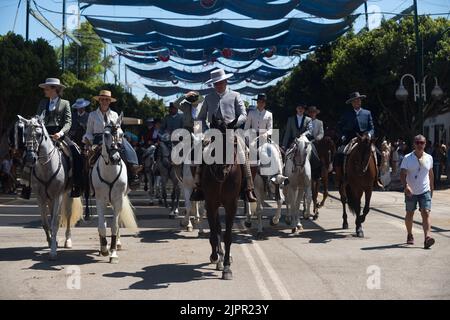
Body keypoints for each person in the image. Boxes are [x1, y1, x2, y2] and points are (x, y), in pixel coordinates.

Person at [192, 68, 256, 202]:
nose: (218, 85)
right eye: (216, 83)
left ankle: (248, 188)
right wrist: (202, 133)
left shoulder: (235, 95)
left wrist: (234, 123)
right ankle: (197, 186)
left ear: (226, 81)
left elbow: (244, 115)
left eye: (220, 82)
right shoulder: (209, 98)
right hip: (213, 133)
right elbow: (200, 118)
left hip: (231, 131)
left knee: (244, 152)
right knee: (199, 151)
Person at [21, 78, 82, 199]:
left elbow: (68, 122)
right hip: (43, 134)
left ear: (55, 89)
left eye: (47, 88)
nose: (44, 90)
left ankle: (75, 185)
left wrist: (60, 133)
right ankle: (26, 186)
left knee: (75, 153)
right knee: (27, 154)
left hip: (59, 134)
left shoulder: (65, 103)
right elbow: (38, 118)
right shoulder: (42, 103)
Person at [83, 90, 141, 190]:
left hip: (113, 138)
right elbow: (88, 132)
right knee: (85, 158)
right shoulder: (92, 115)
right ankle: (84, 182)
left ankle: (133, 169)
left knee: (127, 147)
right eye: (102, 99)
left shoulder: (114, 114)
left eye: (107, 100)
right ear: (99, 101)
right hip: (97, 139)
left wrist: (119, 137)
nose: (104, 101)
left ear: (110, 101)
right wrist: (89, 143)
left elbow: (119, 128)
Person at [334, 92, 380, 187]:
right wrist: (342, 135)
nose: (357, 102)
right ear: (352, 103)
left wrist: (370, 135)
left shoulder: (367, 113)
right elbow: (340, 126)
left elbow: (371, 127)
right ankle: (341, 177)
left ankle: (376, 178)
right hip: (350, 138)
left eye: (358, 100)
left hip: (365, 138)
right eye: (355, 101)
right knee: (339, 154)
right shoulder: (347, 114)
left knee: (378, 154)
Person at [400, 134, 435, 249]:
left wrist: (432, 189)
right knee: (410, 213)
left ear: (425, 144)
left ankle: (427, 238)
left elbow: (431, 175)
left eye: (422, 143)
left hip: (425, 191)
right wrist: (406, 186)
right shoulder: (407, 158)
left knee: (426, 212)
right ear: (414, 144)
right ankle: (410, 234)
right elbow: (402, 174)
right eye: (417, 143)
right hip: (411, 191)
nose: (420, 145)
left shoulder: (429, 157)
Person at [244, 93, 273, 178]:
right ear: (257, 103)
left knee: (274, 153)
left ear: (265, 103)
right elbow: (246, 127)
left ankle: (274, 176)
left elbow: (271, 128)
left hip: (264, 137)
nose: (261, 103)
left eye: (263, 102)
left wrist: (266, 134)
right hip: (253, 138)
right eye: (259, 102)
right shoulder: (251, 113)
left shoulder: (269, 114)